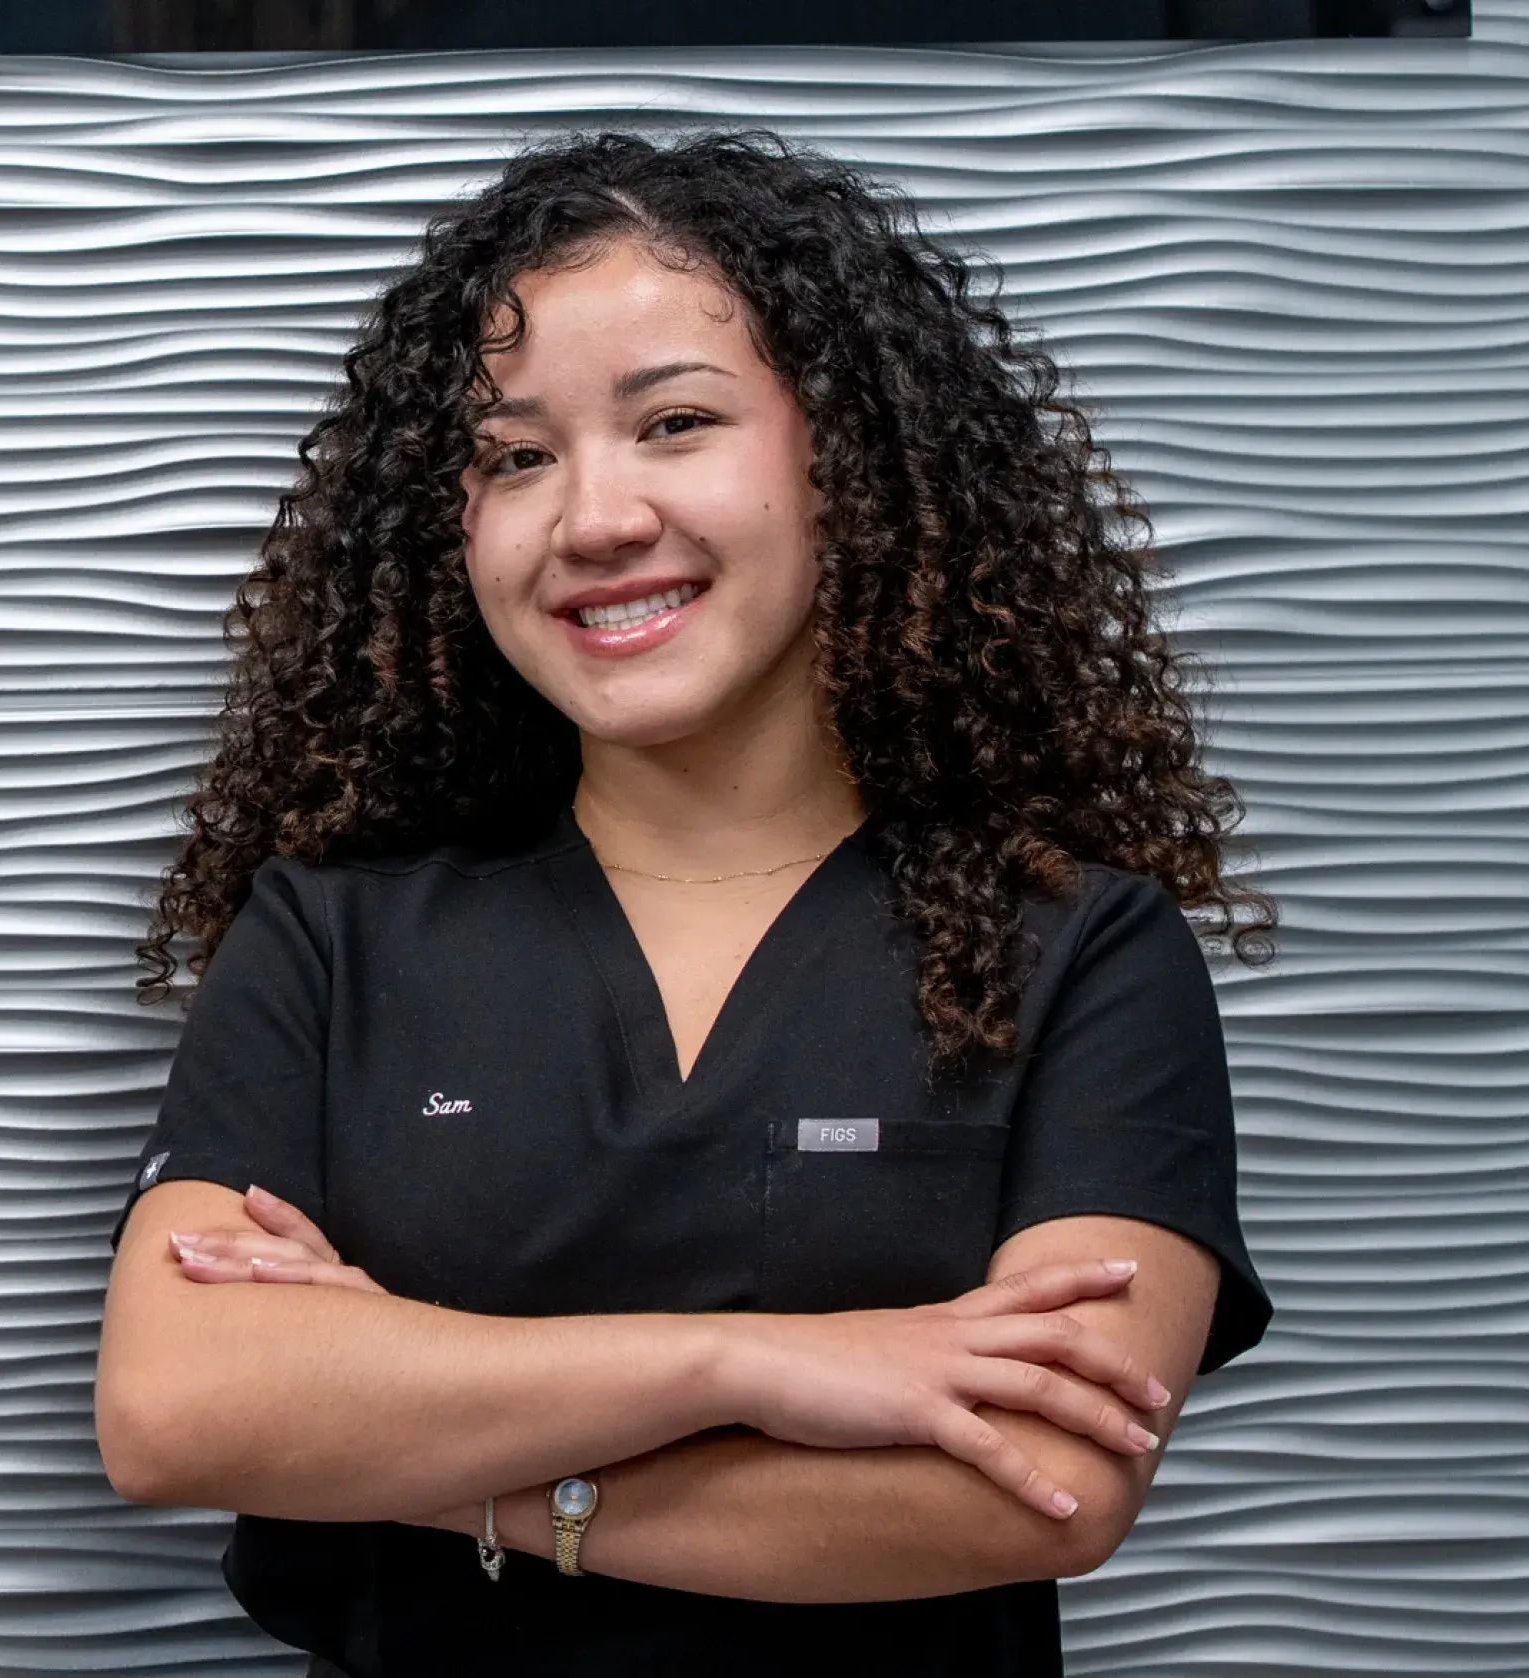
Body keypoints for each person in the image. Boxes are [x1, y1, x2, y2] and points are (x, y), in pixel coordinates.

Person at [95, 128, 1277, 1678]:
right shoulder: (331, 932)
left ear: (846, 458)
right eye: (515, 456)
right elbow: (178, 1407)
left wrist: (418, 1458)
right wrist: (752, 1365)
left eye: (674, 423)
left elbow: (1037, 1483)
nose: (593, 517)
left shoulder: (1074, 945)